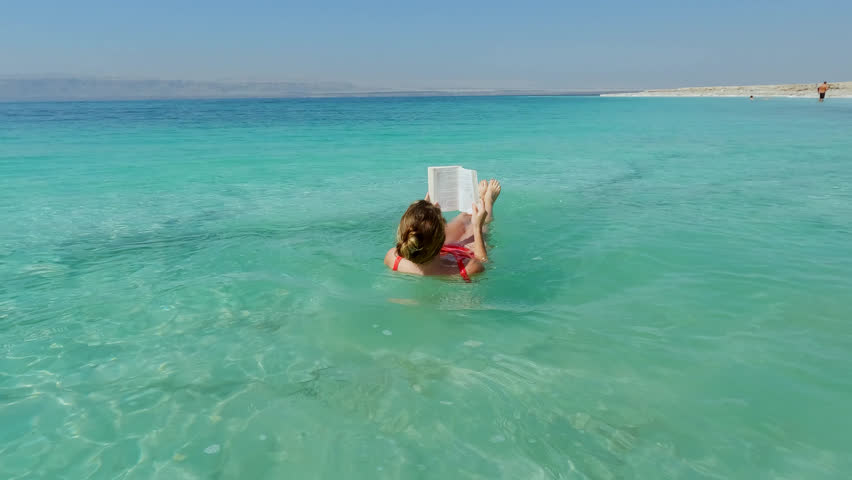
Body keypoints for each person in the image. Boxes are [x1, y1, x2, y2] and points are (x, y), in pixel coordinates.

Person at [385, 179, 501, 281]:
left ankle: (476, 205)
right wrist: (477, 228)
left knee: (462, 222)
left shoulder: (392, 257)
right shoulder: (469, 268)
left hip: (435, 251)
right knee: (478, 226)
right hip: (457, 255)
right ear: (442, 236)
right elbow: (483, 261)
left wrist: (426, 217)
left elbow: (421, 236)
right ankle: (487, 203)